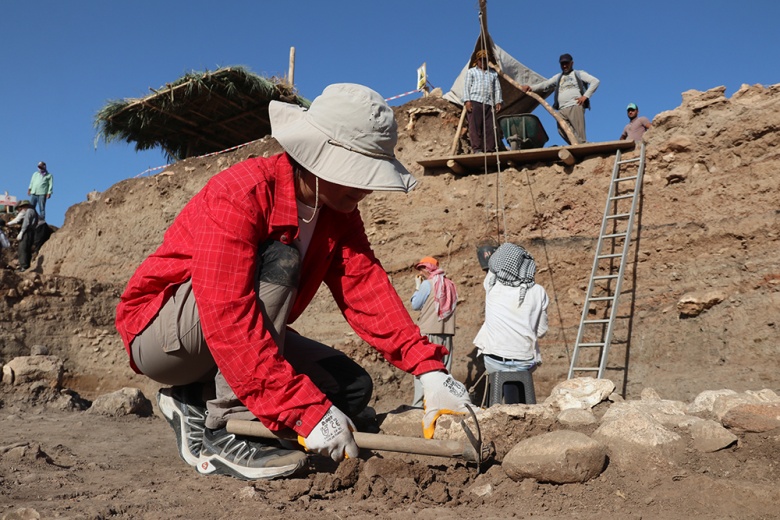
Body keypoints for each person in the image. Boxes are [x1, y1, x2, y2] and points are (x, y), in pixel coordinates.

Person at [115, 83, 472, 481]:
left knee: (351, 389)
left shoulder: (338, 214)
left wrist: (428, 370)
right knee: (280, 255)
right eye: (358, 172)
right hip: (166, 339)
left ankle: (193, 401)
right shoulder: (241, 193)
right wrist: (306, 412)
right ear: (319, 157)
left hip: (228, 336)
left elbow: (364, 286)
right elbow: (227, 313)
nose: (367, 188)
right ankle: (226, 428)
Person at [473, 243, 548, 400]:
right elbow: (541, 331)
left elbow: (493, 269)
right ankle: (517, 406)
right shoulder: (538, 292)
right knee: (517, 386)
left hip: (494, 360)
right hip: (524, 361)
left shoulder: (491, 286)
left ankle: (498, 405)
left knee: (497, 384)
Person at [409, 256, 457, 407]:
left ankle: (418, 406)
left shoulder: (427, 284)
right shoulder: (450, 284)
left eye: (422, 268)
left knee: (423, 368)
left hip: (428, 332)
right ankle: (442, 404)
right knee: (444, 371)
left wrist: (417, 287)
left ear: (427, 268)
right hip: (447, 333)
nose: (421, 272)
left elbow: (415, 305)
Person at [521, 53, 600, 144]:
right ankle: (577, 144)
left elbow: (595, 81)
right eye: (562, 64)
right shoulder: (558, 77)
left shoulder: (578, 74)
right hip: (562, 108)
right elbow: (546, 84)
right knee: (561, 129)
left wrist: (585, 96)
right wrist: (531, 88)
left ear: (572, 63)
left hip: (575, 105)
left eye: (566, 63)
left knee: (579, 131)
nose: (565, 66)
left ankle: (582, 146)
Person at [463, 49, 503, 153]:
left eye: (485, 60)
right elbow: (466, 87)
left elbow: (497, 88)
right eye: (481, 60)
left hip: (489, 102)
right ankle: (477, 149)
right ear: (477, 61)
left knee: (490, 127)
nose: (483, 62)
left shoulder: (493, 74)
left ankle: (489, 149)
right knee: (475, 126)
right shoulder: (471, 72)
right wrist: (467, 101)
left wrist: (498, 101)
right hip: (475, 100)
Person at [7, 200, 38, 272]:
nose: (22, 209)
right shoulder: (32, 211)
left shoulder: (29, 211)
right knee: (26, 249)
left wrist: (21, 232)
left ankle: (23, 267)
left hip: (27, 231)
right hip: (31, 231)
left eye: (23, 207)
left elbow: (26, 223)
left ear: (26, 206)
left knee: (22, 248)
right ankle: (26, 266)